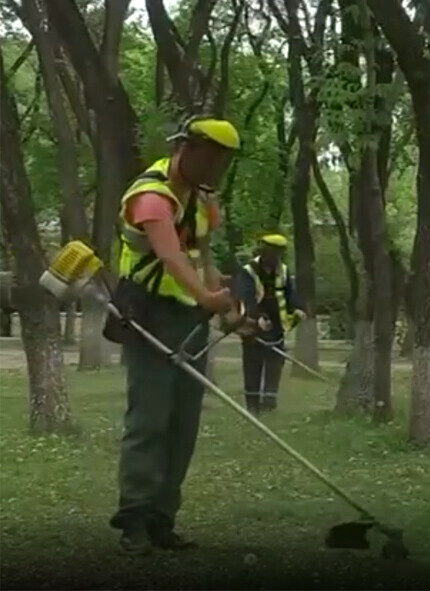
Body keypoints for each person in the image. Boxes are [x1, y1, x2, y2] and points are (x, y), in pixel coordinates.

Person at [107, 115, 240, 555]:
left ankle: (164, 518)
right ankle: (135, 521)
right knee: (149, 418)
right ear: (188, 148)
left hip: (189, 318)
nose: (215, 170)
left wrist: (224, 302)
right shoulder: (151, 196)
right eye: (211, 159)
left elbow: (203, 256)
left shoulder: (203, 199)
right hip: (148, 314)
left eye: (223, 163)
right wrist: (205, 296)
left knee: (184, 421)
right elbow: (170, 258)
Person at [235, 233, 304, 415]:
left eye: (278, 254)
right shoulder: (248, 271)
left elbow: (290, 293)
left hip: (277, 327)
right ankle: (252, 405)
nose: (275, 258)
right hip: (253, 326)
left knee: (275, 364)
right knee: (252, 364)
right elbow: (247, 296)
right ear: (264, 252)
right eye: (272, 254)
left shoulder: (283, 270)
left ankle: (269, 403)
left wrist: (297, 308)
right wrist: (257, 317)